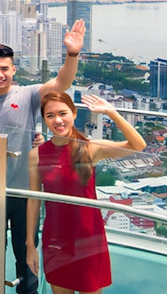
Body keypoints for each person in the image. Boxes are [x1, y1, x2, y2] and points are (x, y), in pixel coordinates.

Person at [0, 19, 86, 294]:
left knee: (27, 250)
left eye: (5, 69)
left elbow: (61, 82)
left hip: (24, 189)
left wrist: (72, 54)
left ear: (13, 70)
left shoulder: (29, 94)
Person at [26, 92, 146, 294]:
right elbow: (33, 201)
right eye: (50, 115)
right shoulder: (36, 155)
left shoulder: (89, 148)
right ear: (44, 120)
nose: (58, 120)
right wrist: (30, 245)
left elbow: (138, 145)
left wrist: (111, 111)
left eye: (63, 113)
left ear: (73, 113)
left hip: (88, 237)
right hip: (55, 236)